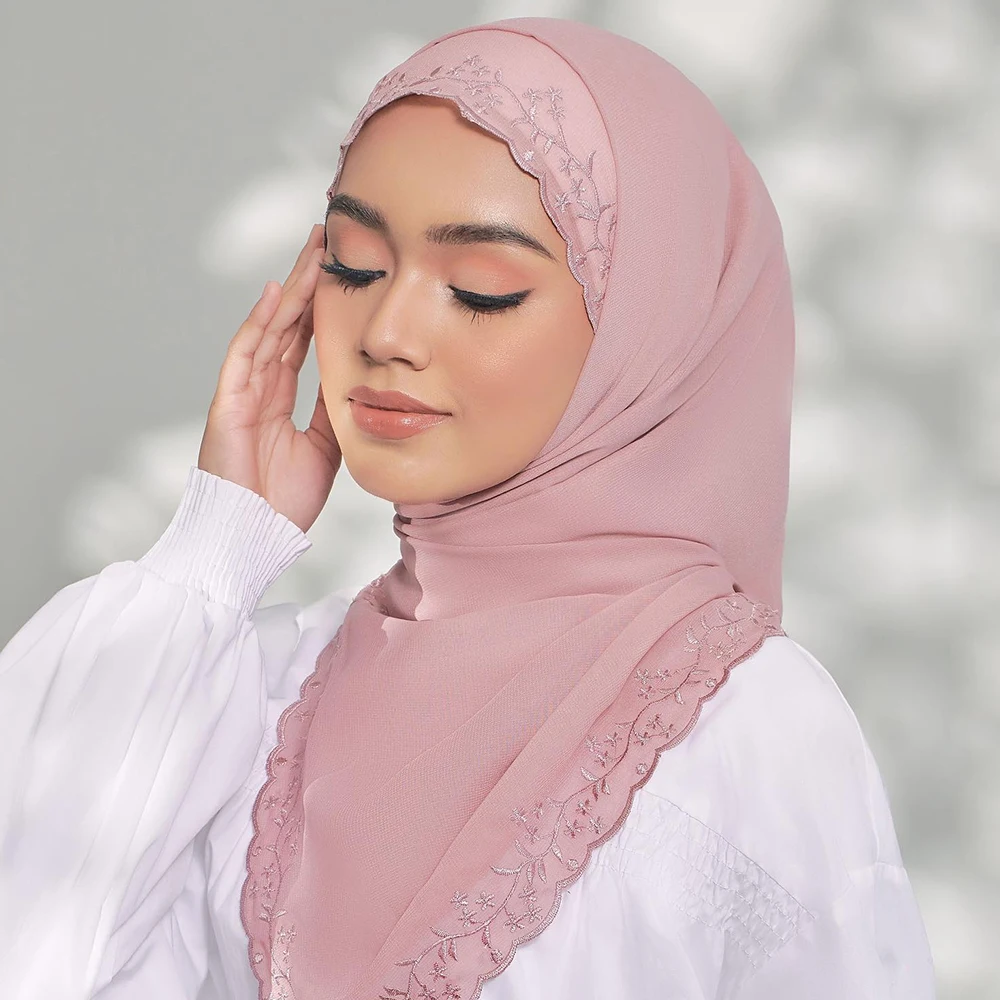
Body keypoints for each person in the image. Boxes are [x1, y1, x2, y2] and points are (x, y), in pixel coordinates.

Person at [0, 16, 936, 1000]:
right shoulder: (266, 689)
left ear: (642, 329)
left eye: (481, 289)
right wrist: (216, 546)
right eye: (354, 266)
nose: (386, 331)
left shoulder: (742, 725)